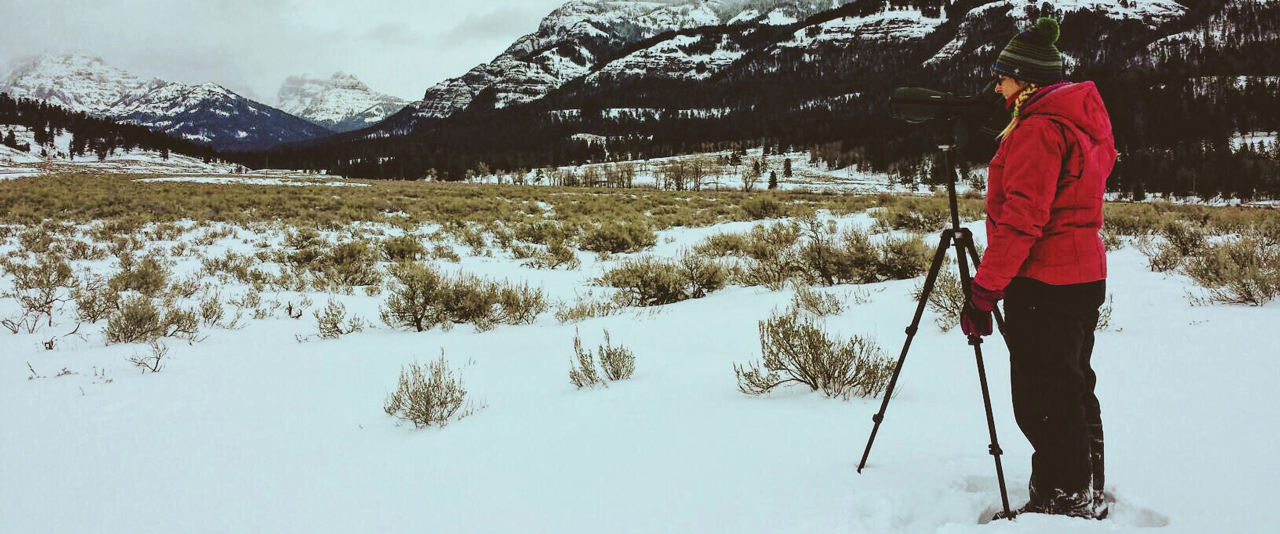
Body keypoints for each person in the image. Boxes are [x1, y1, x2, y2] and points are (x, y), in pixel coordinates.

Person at [959, 17, 1117, 520]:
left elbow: (1021, 222)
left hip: (1044, 281)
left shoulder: (1038, 131)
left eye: (1003, 75)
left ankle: (1062, 500)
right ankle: (1084, 485)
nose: (997, 85)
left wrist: (984, 291)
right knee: (1071, 384)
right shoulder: (1080, 121)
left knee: (1041, 397)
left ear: (1026, 80)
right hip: (1083, 276)